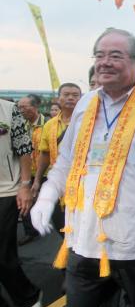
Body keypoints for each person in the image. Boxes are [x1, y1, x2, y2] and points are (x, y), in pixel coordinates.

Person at [30, 28, 135, 307]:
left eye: (115, 55)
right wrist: (47, 195)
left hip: (134, 242)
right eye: (99, 55)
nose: (104, 62)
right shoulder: (85, 104)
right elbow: (66, 159)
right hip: (83, 239)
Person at [0, 98, 42, 307]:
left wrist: (25, 185)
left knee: (3, 255)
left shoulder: (9, 110)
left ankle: (29, 298)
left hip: (6, 190)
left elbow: (24, 148)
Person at [31, 83, 82, 233]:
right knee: (61, 224)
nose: (71, 98)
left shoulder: (90, 122)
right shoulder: (50, 125)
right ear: (58, 98)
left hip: (83, 181)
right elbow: (45, 154)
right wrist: (37, 180)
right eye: (66, 94)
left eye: (75, 95)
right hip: (59, 180)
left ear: (81, 99)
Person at [17, 94, 47, 245]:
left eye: (24, 107)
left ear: (35, 107)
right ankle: (31, 231)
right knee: (25, 200)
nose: (20, 110)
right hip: (25, 171)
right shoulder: (19, 125)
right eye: (19, 107)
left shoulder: (47, 124)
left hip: (45, 172)